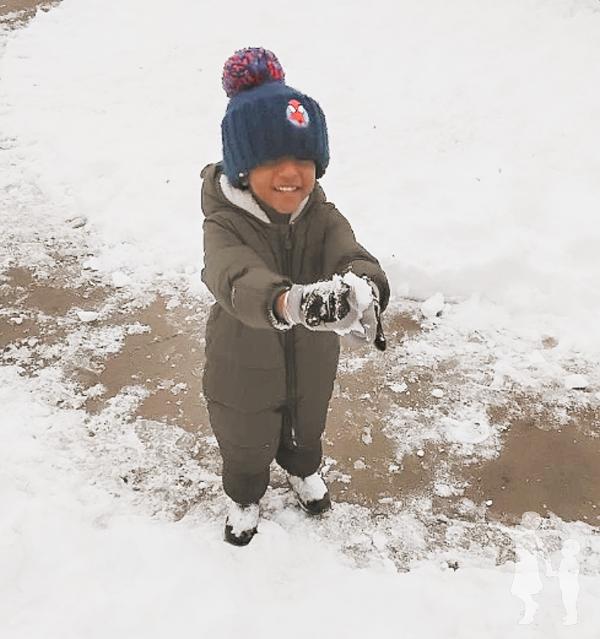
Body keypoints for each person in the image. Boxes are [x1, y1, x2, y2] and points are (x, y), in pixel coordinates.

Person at [200, 47, 390, 545]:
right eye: (272, 160)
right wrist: (288, 302)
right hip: (241, 360)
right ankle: (245, 497)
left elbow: (350, 252)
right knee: (244, 437)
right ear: (243, 168)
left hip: (311, 355)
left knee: (308, 420)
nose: (291, 174)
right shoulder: (224, 223)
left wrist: (365, 287)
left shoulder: (320, 214)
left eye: (303, 159)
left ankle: (303, 470)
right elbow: (232, 274)